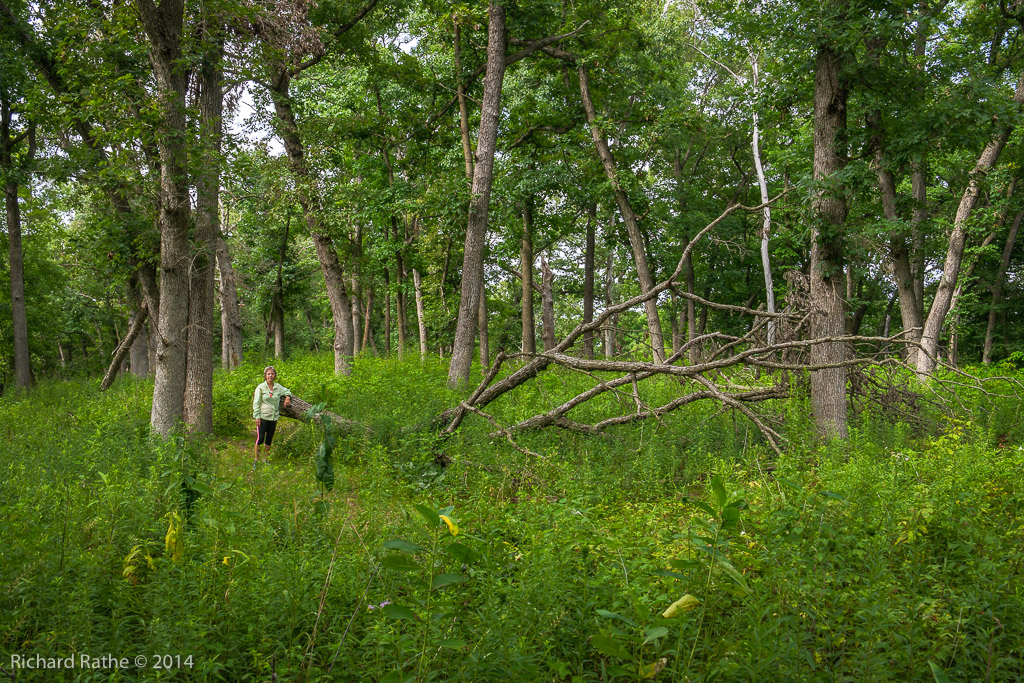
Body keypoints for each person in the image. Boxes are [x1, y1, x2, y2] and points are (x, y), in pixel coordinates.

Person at [252, 365, 292, 466]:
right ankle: (256, 460)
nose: (270, 375)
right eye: (268, 374)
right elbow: (256, 402)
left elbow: (287, 391)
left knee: (269, 438)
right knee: (260, 438)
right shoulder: (260, 387)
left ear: (275, 376)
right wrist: (257, 416)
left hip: (273, 417)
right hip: (263, 417)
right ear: (265, 376)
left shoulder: (278, 387)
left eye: (272, 374)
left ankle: (265, 460)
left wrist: (287, 397)